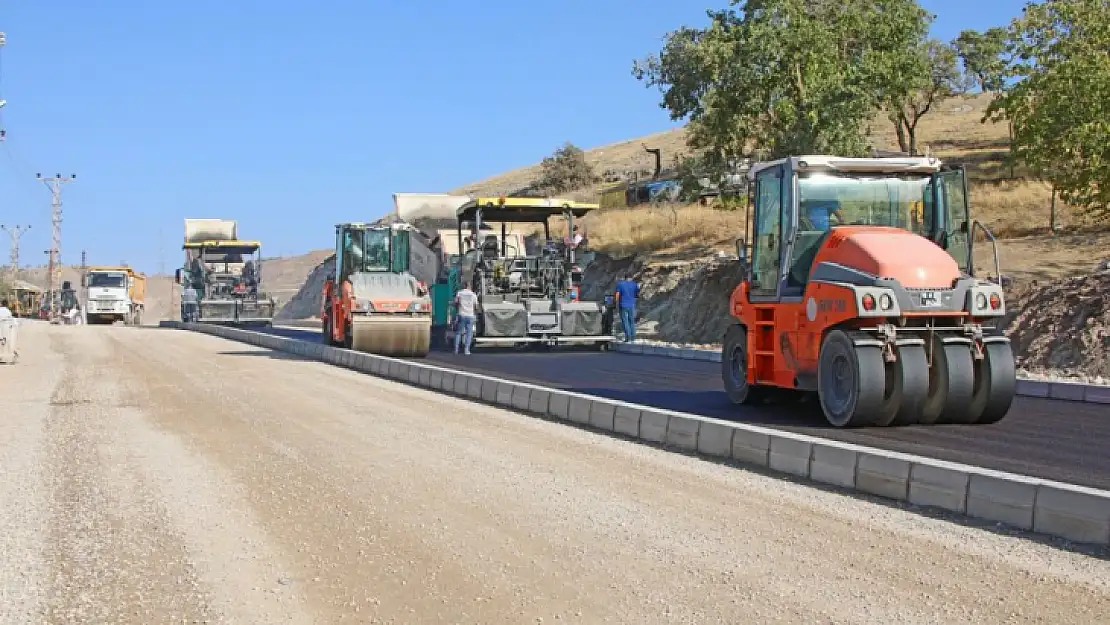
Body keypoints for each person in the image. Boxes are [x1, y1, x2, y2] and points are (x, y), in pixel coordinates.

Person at [453, 281, 479, 355]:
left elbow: (456, 302)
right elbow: (476, 306)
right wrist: (475, 313)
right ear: (469, 286)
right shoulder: (473, 295)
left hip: (462, 314)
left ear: (464, 286)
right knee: (469, 333)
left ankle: (456, 349)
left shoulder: (459, 293)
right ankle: (466, 350)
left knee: (458, 333)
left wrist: (457, 309)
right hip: (470, 315)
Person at [613, 274, 641, 343]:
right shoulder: (634, 284)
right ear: (631, 278)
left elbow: (617, 294)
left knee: (625, 321)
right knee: (631, 321)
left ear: (624, 277)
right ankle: (633, 337)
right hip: (631, 305)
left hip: (623, 305)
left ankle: (628, 337)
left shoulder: (620, 284)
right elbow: (637, 295)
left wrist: (615, 302)